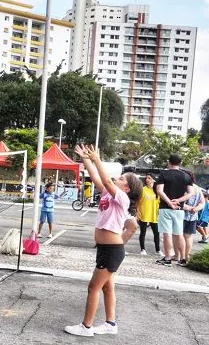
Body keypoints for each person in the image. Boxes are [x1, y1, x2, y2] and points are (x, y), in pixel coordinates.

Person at [65, 144, 142, 337]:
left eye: (121, 178)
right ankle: (110, 324)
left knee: (93, 287)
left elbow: (107, 181)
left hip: (112, 250)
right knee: (107, 287)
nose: (117, 178)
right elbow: (99, 179)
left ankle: (86, 327)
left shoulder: (122, 198)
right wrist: (86, 159)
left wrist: (97, 159)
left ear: (127, 188)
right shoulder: (109, 193)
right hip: (106, 249)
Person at [155, 155, 194, 267]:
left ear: (169, 162)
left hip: (165, 208)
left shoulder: (164, 174)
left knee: (167, 233)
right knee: (179, 234)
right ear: (180, 163)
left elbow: (159, 191)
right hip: (179, 209)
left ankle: (167, 258)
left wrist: (169, 202)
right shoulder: (186, 176)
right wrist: (179, 200)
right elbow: (191, 193)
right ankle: (182, 258)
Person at [138, 174, 164, 256]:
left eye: (149, 178)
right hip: (143, 214)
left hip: (154, 215)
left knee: (156, 233)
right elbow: (137, 202)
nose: (147, 179)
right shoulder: (142, 190)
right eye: (146, 178)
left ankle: (158, 250)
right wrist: (137, 212)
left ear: (153, 180)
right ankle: (142, 249)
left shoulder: (157, 191)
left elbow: (159, 203)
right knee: (143, 232)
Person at [181, 172, 205, 263]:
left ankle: (180, 256)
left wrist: (190, 208)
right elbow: (202, 202)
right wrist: (196, 209)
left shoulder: (184, 187)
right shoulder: (198, 188)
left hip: (182, 215)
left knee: (180, 236)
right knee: (188, 236)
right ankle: (186, 256)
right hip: (193, 216)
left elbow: (180, 203)